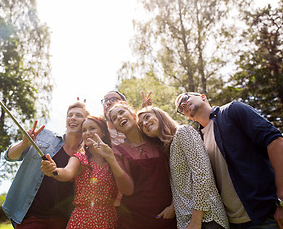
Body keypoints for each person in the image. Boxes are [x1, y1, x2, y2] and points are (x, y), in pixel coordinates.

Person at [175, 92, 283, 229]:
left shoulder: (232, 111)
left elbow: (276, 142)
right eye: (180, 108)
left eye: (185, 98)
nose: (183, 105)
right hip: (232, 223)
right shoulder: (197, 141)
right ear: (188, 117)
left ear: (203, 96)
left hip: (266, 215)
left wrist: (281, 200)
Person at [137, 106, 229, 229]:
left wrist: (196, 220)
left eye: (147, 117)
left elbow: (203, 175)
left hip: (207, 219)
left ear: (159, 115)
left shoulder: (183, 132)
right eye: (141, 125)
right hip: (187, 222)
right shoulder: (167, 150)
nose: (145, 124)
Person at [2, 101, 89, 229]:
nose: (73, 118)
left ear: (86, 122)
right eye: (70, 115)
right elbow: (10, 156)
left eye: (79, 115)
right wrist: (23, 144)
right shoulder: (45, 137)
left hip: (63, 218)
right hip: (31, 214)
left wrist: (54, 171)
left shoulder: (86, 153)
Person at [101, 101, 177, 229]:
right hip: (134, 221)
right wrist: (111, 159)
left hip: (167, 217)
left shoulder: (157, 139)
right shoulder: (116, 151)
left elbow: (178, 175)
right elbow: (127, 190)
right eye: (114, 118)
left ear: (133, 114)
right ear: (114, 126)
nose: (119, 117)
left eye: (121, 112)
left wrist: (174, 206)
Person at [41, 116, 118, 229]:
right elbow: (67, 172)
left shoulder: (113, 158)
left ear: (103, 132)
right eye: (84, 130)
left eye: (92, 128)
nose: (87, 133)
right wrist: (54, 171)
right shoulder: (80, 157)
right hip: (83, 219)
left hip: (108, 217)